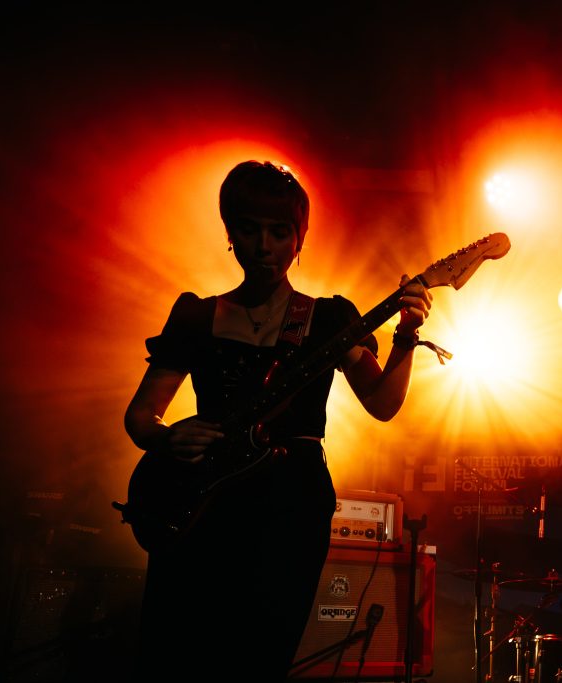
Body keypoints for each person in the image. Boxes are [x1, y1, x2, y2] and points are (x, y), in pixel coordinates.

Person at [123, 160, 433, 681]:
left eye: (279, 231)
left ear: (299, 240)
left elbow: (381, 404)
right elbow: (139, 416)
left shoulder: (329, 317)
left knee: (260, 652)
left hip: (289, 503)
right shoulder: (196, 315)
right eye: (249, 228)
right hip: (201, 501)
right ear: (230, 233)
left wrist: (406, 337)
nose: (263, 245)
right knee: (178, 651)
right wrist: (167, 435)